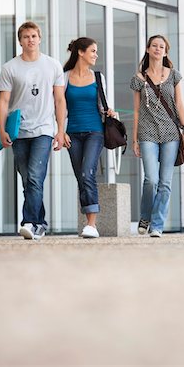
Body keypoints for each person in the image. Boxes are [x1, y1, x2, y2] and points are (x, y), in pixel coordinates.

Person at [0, 21, 66, 240]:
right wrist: (1, 129)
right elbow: (3, 101)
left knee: (35, 178)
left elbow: (60, 100)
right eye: (26, 37)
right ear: (20, 41)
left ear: (40, 38)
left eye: (34, 36)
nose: (30, 40)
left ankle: (30, 222)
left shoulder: (53, 65)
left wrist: (60, 130)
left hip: (44, 130)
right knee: (28, 180)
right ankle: (41, 221)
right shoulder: (10, 67)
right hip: (19, 132)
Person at [130, 35, 184, 237]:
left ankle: (157, 225)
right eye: (154, 46)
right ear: (148, 49)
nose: (158, 49)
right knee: (151, 179)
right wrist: (135, 139)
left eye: (161, 46)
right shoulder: (139, 78)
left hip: (171, 133)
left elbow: (180, 104)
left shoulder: (174, 75)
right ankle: (145, 216)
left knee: (165, 181)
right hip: (147, 132)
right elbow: (137, 111)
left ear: (166, 52)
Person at [63, 37, 115, 238]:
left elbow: (103, 104)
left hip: (95, 132)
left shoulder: (98, 77)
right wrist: (61, 131)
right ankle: (88, 222)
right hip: (72, 134)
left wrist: (110, 112)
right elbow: (59, 106)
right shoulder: (64, 77)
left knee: (87, 173)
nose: (96, 55)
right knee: (80, 177)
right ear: (81, 53)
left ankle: (92, 224)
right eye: (93, 51)